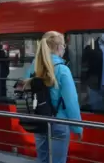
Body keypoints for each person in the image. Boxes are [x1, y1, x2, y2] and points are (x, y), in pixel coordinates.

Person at [24, 31, 82, 163]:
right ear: (58, 47)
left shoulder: (34, 67)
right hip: (59, 122)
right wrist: (77, 128)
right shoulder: (62, 69)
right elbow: (71, 101)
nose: (64, 49)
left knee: (43, 159)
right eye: (64, 46)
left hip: (39, 121)